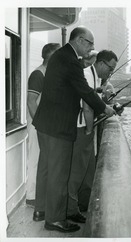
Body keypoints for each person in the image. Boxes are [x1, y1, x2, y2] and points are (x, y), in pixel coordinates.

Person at [32, 26, 116, 233]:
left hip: (48, 123)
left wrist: (96, 96)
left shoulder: (62, 56)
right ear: (79, 40)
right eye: (89, 44)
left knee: (52, 172)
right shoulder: (70, 60)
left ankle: (48, 212)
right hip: (58, 126)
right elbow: (84, 90)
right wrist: (104, 108)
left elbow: (71, 86)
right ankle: (55, 219)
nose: (91, 48)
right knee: (59, 174)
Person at [68, 50, 119, 220]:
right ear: (101, 63)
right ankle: (70, 210)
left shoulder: (94, 76)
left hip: (85, 127)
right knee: (77, 171)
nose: (110, 72)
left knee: (88, 168)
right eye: (110, 68)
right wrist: (90, 130)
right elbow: (87, 107)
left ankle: (84, 204)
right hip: (81, 127)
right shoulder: (87, 75)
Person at [26, 43, 61, 208]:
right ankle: (31, 197)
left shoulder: (50, 74)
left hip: (46, 126)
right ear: (51, 56)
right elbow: (31, 102)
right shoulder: (38, 74)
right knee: (35, 159)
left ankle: (40, 196)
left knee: (44, 160)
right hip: (37, 125)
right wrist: (40, 125)